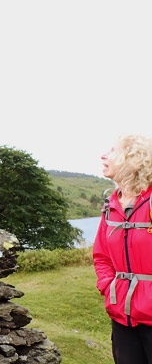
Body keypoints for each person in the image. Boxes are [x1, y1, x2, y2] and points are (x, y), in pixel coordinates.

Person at [93, 134, 152, 364]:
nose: (104, 155)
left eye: (113, 151)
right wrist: (109, 288)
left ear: (134, 159)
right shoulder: (111, 206)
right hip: (122, 318)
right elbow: (101, 257)